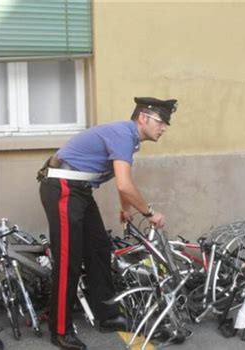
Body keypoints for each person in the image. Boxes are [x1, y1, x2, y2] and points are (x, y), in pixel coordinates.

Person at [38, 96, 178, 350]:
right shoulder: (124, 134)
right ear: (143, 118)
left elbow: (120, 181)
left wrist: (126, 208)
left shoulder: (129, 139)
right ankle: (60, 330)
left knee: (100, 248)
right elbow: (125, 183)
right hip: (63, 187)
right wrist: (149, 213)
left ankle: (107, 316)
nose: (164, 127)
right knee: (69, 258)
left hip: (78, 188)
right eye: (161, 121)